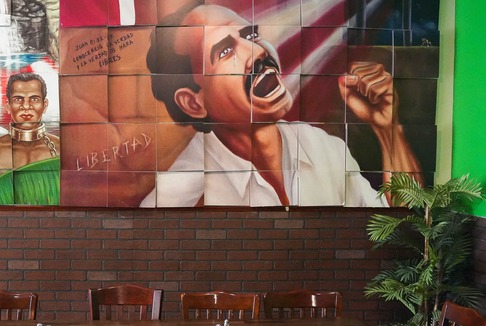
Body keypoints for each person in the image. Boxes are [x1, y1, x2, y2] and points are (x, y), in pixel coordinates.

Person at [140, 3, 423, 208]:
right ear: (194, 103)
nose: (257, 51)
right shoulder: (180, 192)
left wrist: (388, 130)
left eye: (249, 35)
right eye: (225, 51)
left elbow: (400, 230)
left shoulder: (322, 147)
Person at [0, 71, 60, 182]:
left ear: (44, 105)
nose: (26, 106)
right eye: (18, 99)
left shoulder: (61, 149)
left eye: (34, 99)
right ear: (8, 106)